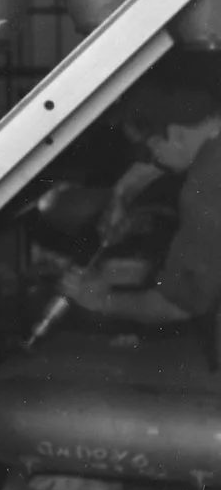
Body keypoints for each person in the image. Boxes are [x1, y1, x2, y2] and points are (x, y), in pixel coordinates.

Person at [58, 78, 221, 349]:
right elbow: (165, 161)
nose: (150, 160)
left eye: (149, 149)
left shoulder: (205, 186)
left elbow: (181, 303)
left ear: (176, 132)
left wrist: (100, 300)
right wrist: (121, 195)